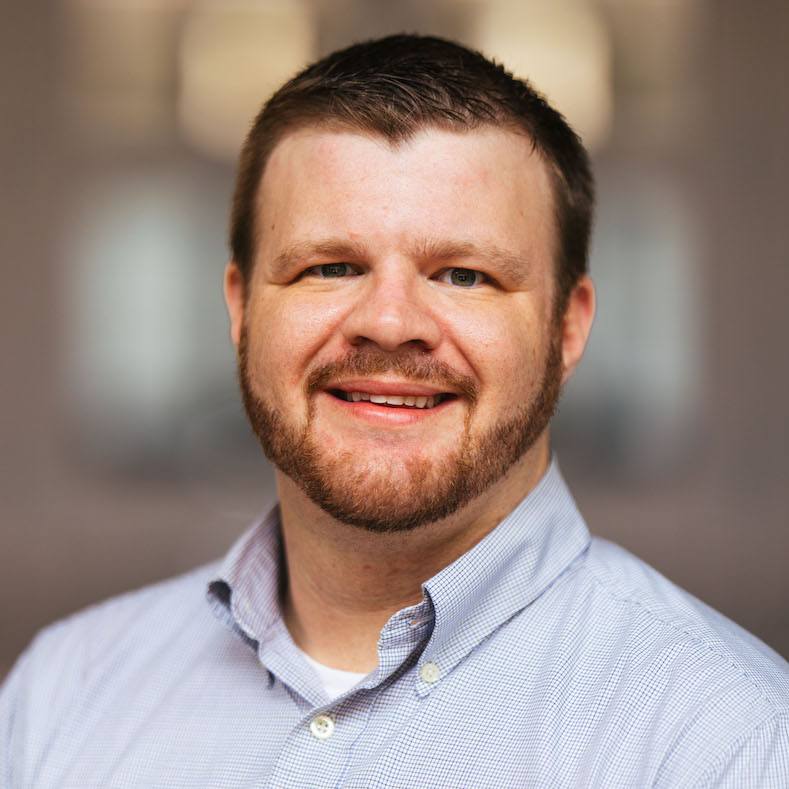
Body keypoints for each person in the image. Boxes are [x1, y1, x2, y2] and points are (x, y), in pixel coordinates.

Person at [2, 34, 788, 789]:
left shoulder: (731, 743)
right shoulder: (59, 695)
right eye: (329, 267)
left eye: (463, 275)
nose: (387, 322)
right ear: (241, 309)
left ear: (567, 327)